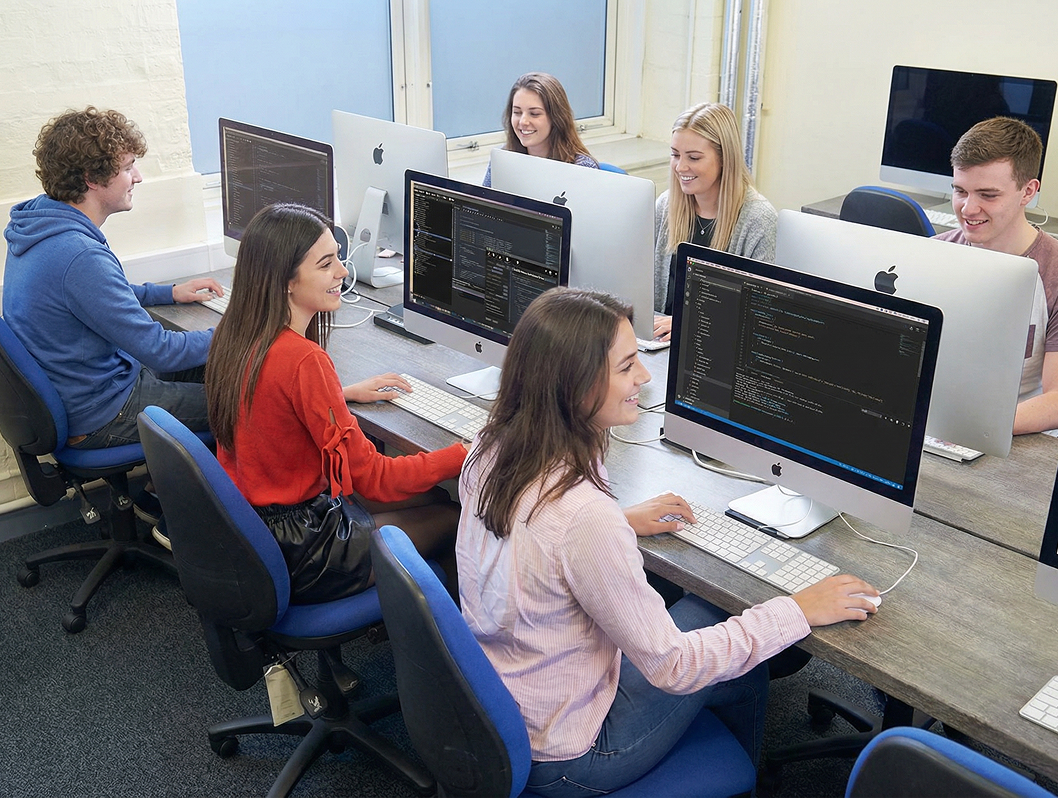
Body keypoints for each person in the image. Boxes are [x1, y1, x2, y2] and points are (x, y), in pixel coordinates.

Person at [456, 287, 879, 796]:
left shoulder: (492, 446)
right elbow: (673, 665)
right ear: (573, 384)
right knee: (717, 619)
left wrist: (618, 519)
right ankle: (741, 781)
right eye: (627, 365)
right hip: (570, 756)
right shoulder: (584, 518)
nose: (645, 377)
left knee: (724, 640)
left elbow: (540, 537)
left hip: (502, 705)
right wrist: (799, 609)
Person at [205, 203, 466, 604]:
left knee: (433, 497)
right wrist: (465, 453)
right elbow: (375, 479)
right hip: (306, 547)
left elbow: (271, 406)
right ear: (286, 281)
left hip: (255, 533)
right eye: (326, 264)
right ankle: (446, 649)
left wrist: (336, 397)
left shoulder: (237, 333)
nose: (343, 273)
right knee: (452, 515)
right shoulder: (303, 360)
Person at [3, 107, 223, 452]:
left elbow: (94, 295)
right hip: (103, 413)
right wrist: (239, 329)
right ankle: (212, 501)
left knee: (228, 372)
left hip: (85, 391)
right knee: (250, 403)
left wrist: (169, 292)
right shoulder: (78, 255)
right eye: (126, 167)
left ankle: (162, 485)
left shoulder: (39, 225)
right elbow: (161, 351)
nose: (137, 177)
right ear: (92, 177)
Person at [932, 116, 1058, 435]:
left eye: (988, 195)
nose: (968, 209)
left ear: (1027, 191)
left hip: (1015, 432)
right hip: (931, 423)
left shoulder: (1053, 271)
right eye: (960, 191)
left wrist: (968, 428)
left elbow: (1056, 399)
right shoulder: (931, 256)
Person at [653, 103, 778, 341]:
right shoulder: (667, 205)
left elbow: (759, 316)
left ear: (724, 159)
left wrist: (685, 323)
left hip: (717, 348)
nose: (680, 167)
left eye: (694, 157)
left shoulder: (758, 219)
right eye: (675, 154)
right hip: (660, 340)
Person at [482, 72, 599, 187]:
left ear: (556, 118)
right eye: (517, 112)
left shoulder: (583, 168)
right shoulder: (502, 159)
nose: (523, 122)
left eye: (534, 114)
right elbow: (482, 204)